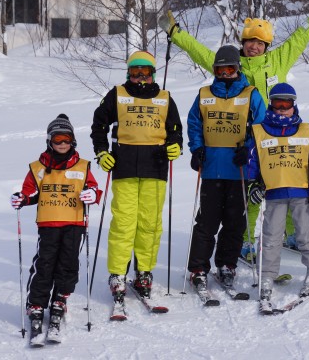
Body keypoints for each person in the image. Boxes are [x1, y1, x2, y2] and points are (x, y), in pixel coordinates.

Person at [159, 9, 309, 260]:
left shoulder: (278, 60)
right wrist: (176, 33)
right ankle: (246, 239)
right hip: (247, 140)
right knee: (252, 190)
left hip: (279, 134)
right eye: (250, 42)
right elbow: (200, 52)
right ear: (243, 42)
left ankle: (292, 234)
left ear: (266, 45)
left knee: (289, 182)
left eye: (260, 43)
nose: (255, 47)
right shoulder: (232, 65)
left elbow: (300, 37)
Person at [90, 51, 183, 305]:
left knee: (150, 223)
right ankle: (118, 273)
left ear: (153, 73)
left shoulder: (165, 98)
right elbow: (98, 125)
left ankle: (144, 271)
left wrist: (175, 146)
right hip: (125, 167)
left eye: (145, 72)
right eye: (135, 72)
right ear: (128, 73)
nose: (140, 77)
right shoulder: (117, 94)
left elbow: (175, 129)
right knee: (124, 222)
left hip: (156, 167)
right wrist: (101, 152)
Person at [10, 114, 102, 339]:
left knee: (68, 264)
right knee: (45, 264)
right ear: (49, 141)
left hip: (74, 223)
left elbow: (93, 189)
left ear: (73, 141)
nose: (62, 144)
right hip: (49, 223)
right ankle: (36, 304)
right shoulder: (38, 167)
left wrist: (92, 194)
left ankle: (61, 298)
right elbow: (31, 192)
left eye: (66, 139)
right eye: (57, 139)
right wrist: (22, 198)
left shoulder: (82, 166)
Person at [186, 45, 266, 292]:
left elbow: (261, 127)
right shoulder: (204, 94)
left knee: (234, 224)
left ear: (238, 69)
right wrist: (197, 149)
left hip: (239, 170)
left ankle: (227, 265)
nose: (225, 73)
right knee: (206, 223)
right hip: (211, 169)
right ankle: (198, 268)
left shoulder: (251, 94)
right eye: (220, 69)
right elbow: (194, 123)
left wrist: (249, 149)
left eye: (230, 68)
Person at [244, 83, 309, 307]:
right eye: (278, 104)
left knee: (306, 234)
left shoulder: (304, 130)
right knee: (271, 237)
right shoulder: (260, 131)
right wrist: (253, 185)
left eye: (287, 104)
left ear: (294, 105)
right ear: (271, 104)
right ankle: (267, 277)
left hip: (300, 190)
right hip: (274, 193)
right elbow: (253, 162)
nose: (282, 109)